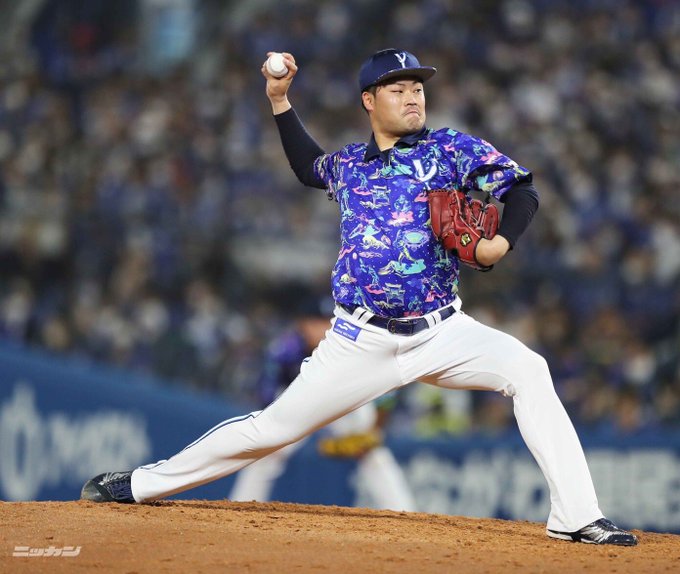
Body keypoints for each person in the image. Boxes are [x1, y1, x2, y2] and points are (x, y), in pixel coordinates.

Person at [81, 48, 637, 546]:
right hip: (359, 338)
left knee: (530, 370)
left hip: (443, 330)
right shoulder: (349, 165)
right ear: (369, 100)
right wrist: (279, 101)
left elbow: (522, 189)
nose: (413, 96)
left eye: (417, 87)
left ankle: (577, 517)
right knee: (270, 430)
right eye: (398, 88)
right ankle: (141, 484)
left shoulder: (449, 149)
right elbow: (307, 167)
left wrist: (500, 242)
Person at [229, 294, 416, 511]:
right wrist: (271, 427)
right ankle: (240, 507)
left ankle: (405, 512)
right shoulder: (286, 349)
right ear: (302, 324)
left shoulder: (351, 346)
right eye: (315, 322)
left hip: (342, 401)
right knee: (266, 448)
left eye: (327, 320)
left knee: (373, 453)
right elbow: (267, 391)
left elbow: (386, 393)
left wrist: (373, 431)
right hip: (297, 400)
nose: (322, 328)